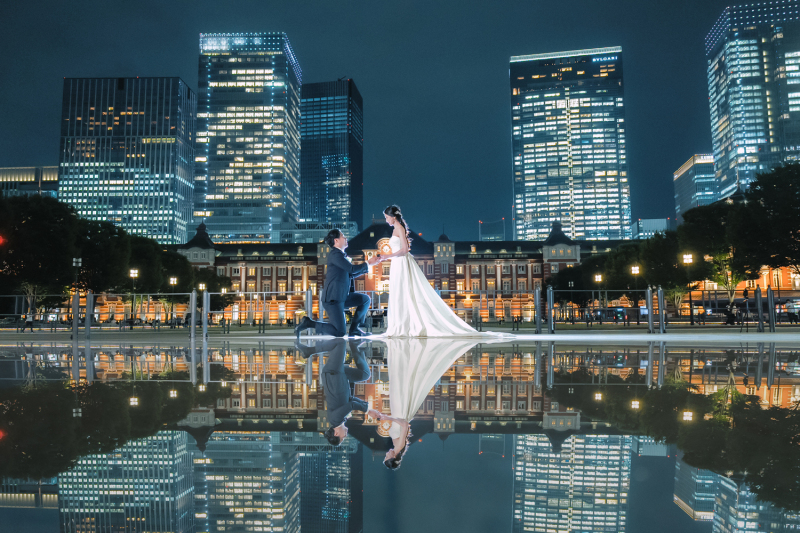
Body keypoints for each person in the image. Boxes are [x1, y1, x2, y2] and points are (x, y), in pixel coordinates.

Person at [380, 205, 481, 337]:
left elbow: (404, 250)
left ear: (393, 217)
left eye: (387, 217)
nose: (386, 220)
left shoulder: (399, 228)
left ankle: (403, 326)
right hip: (397, 263)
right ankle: (401, 325)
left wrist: (387, 256)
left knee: (403, 293)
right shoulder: (397, 228)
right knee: (400, 293)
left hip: (401, 262)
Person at [380, 338, 479, 469]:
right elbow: (404, 424)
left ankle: (404, 355)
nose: (386, 455)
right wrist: (388, 418)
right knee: (398, 384)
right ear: (392, 458)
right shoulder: (398, 447)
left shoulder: (398, 448)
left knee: (398, 384)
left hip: (398, 411)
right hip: (399, 411)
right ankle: (404, 355)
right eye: (387, 457)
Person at [295, 229, 381, 338]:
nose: (345, 238)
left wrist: (369, 265)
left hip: (342, 296)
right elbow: (351, 269)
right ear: (336, 240)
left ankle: (354, 329)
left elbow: (350, 274)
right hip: (333, 299)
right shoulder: (335, 255)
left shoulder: (340, 256)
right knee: (340, 332)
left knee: (365, 300)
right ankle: (309, 323)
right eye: (343, 236)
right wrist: (368, 263)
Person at [296, 338, 380, 445]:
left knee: (340, 343)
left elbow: (352, 405)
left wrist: (368, 411)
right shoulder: (341, 419)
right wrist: (370, 408)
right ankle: (354, 345)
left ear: (336, 433)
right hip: (341, 376)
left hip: (333, 374)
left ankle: (309, 351)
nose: (345, 436)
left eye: (342, 438)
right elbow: (351, 400)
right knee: (364, 374)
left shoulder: (335, 419)